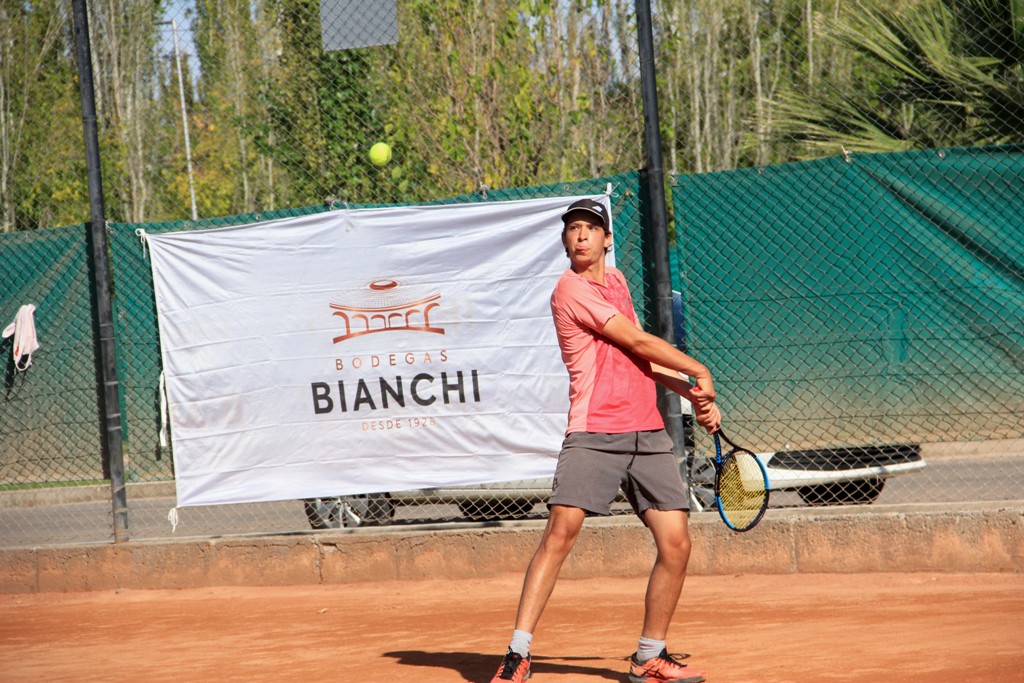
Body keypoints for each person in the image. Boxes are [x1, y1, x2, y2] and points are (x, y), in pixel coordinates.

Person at [489, 198, 722, 683]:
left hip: (646, 431)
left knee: (676, 544)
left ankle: (648, 657)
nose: (580, 236)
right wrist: (697, 369)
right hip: (593, 431)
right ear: (566, 241)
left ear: (606, 239)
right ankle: (518, 652)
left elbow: (638, 358)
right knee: (559, 535)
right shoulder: (568, 289)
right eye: (572, 229)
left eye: (590, 229)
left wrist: (687, 394)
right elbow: (637, 341)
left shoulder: (615, 282)